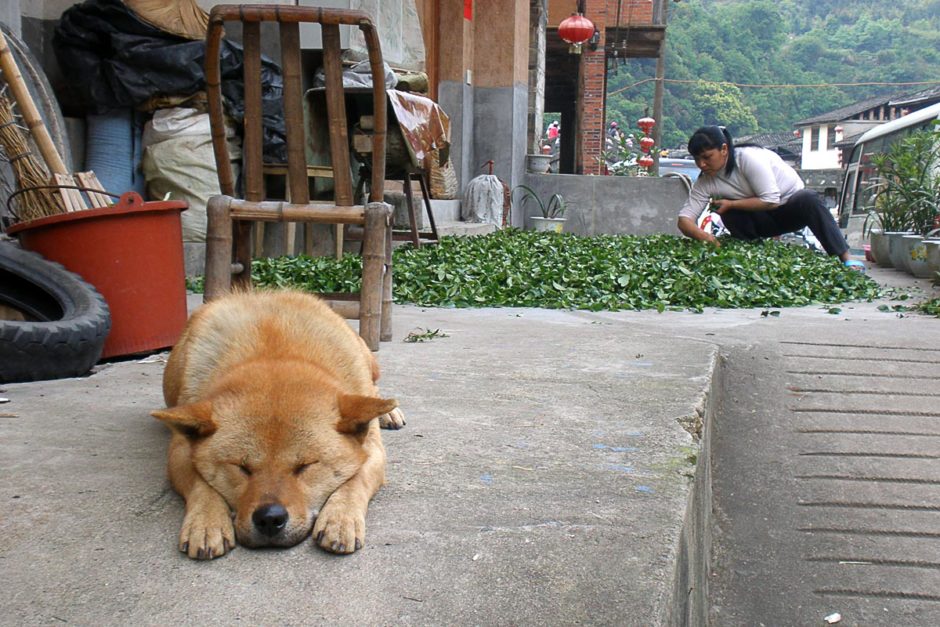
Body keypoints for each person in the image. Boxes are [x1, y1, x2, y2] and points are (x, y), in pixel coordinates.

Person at [676, 125, 861, 268]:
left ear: (724, 149)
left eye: (707, 157)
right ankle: (752, 258)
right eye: (697, 159)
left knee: (809, 198)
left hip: (789, 209)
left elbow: (771, 200)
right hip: (759, 221)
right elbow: (684, 220)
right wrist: (706, 238)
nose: (701, 164)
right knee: (729, 213)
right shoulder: (705, 180)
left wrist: (732, 204)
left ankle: (846, 258)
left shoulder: (747, 158)